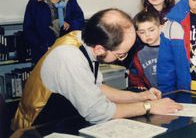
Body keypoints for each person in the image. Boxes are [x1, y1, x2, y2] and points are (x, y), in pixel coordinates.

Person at [12, 9, 182, 130]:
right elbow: (99, 113)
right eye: (121, 55)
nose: (122, 58)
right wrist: (148, 106)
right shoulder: (70, 59)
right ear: (100, 50)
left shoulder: (83, 39)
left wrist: (140, 96)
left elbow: (97, 87)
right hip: (39, 127)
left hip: (66, 118)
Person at [23, 0, 85, 64]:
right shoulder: (35, 2)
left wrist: (70, 24)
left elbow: (80, 19)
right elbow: (28, 29)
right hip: (44, 52)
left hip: (68, 49)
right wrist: (41, 46)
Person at [128, 10, 162, 90]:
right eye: (142, 32)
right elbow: (134, 74)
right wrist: (139, 84)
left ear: (160, 28)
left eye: (151, 30)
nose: (147, 34)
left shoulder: (172, 49)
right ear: (137, 34)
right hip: (152, 94)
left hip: (174, 93)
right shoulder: (139, 54)